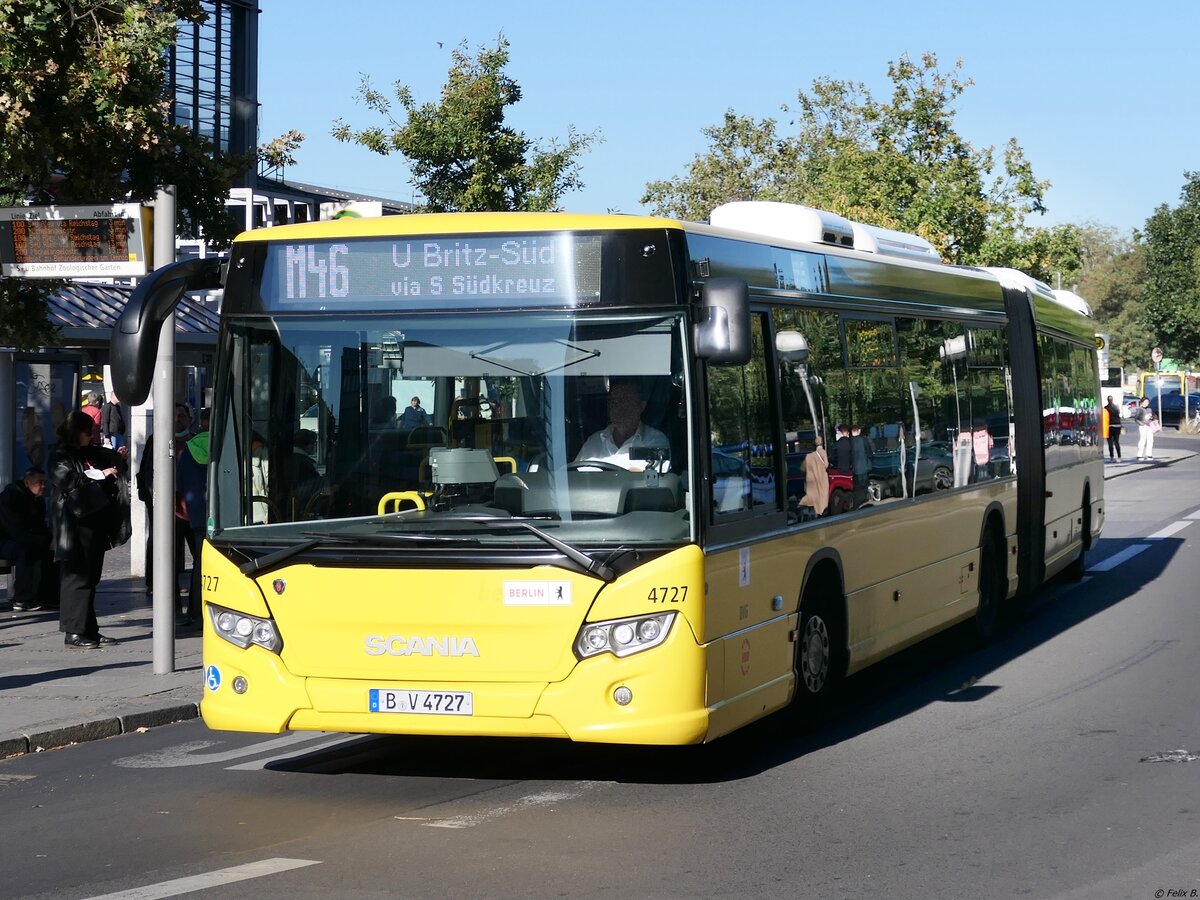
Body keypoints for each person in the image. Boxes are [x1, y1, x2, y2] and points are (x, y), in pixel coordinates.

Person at [49, 410, 130, 648]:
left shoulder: (88, 452)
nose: (91, 436)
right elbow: (68, 479)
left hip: (93, 521)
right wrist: (99, 474)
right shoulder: (60, 454)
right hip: (75, 523)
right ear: (76, 433)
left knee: (91, 577)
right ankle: (73, 631)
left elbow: (105, 459)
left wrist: (117, 458)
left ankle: (89, 629)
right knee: (77, 577)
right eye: (87, 432)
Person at [137, 402, 195, 596]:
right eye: (175, 416)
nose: (178, 420)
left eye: (182, 416)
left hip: (192, 507)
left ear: (189, 419)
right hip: (165, 506)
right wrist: (156, 498)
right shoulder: (157, 440)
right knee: (161, 546)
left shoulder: (196, 441)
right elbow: (147, 471)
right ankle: (156, 585)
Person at [574, 378, 669, 470]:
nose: (619, 409)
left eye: (625, 402)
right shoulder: (594, 441)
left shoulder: (655, 441)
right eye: (614, 403)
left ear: (641, 406)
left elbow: (638, 477)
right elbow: (576, 477)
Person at [0, 467, 55, 611]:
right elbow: (14, 529)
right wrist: (42, 541)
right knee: (24, 550)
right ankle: (21, 599)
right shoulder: (10, 498)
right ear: (27, 483)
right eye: (39, 482)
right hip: (5, 540)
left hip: (20, 539)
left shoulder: (38, 501)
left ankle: (48, 595)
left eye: (45, 483)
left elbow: (39, 527)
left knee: (52, 550)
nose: (43, 486)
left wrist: (50, 541)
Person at [176, 411, 210, 627]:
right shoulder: (227, 444)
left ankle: (195, 612)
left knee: (200, 563)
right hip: (228, 517)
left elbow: (179, 484)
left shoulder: (190, 448)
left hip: (198, 515)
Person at [799, 437, 830, 518]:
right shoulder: (823, 452)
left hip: (811, 482)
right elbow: (826, 465)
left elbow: (802, 468)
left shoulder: (808, 456)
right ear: (822, 442)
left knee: (814, 499)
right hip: (822, 480)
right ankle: (821, 514)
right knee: (822, 498)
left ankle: (814, 514)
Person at [1134, 396, 1157, 460]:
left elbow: (1153, 417)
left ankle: (1149, 454)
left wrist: (1151, 417)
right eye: (1145, 402)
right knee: (1142, 440)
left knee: (1150, 440)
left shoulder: (1149, 409)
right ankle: (1139, 455)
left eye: (1147, 402)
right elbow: (1136, 419)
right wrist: (1142, 424)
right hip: (1143, 426)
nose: (1147, 403)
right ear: (1142, 402)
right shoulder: (1140, 409)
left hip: (1149, 426)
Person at [1104, 394, 1124, 461]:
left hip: (1110, 426)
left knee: (1110, 443)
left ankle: (1111, 457)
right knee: (1116, 442)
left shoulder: (1106, 408)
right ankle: (1119, 457)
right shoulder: (1116, 407)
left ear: (1107, 400)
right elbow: (1119, 416)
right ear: (1112, 400)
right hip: (1117, 426)